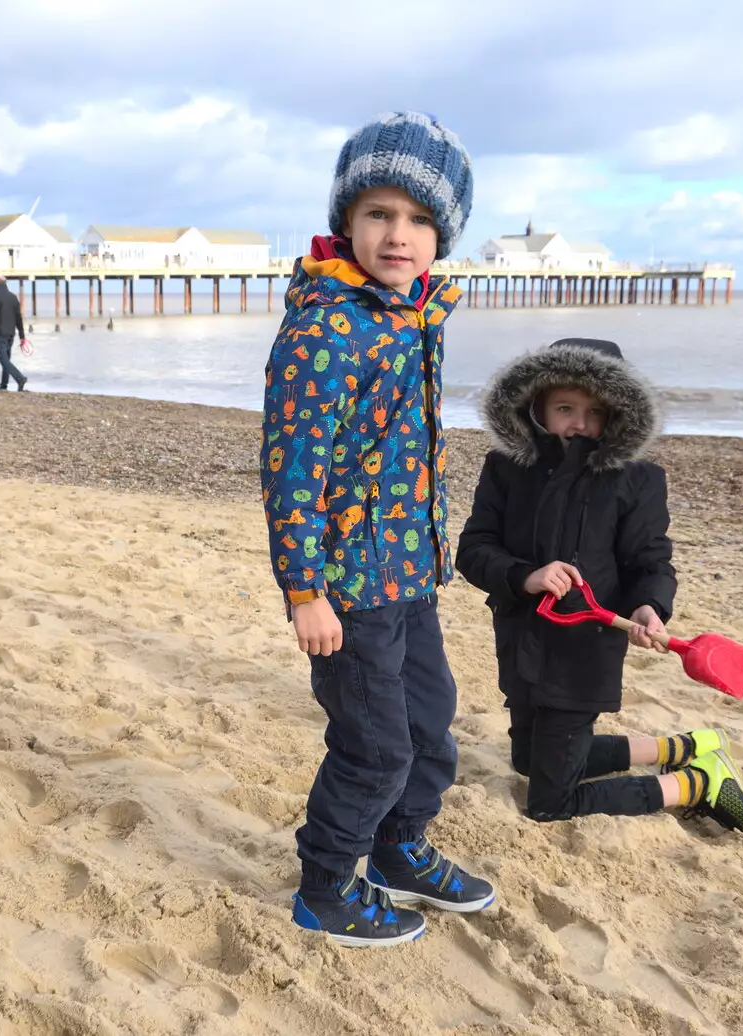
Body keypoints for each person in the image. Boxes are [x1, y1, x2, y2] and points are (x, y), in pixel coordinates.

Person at [261, 112, 494, 949]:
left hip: (408, 573)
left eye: (421, 219)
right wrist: (304, 591)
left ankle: (398, 850)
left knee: (431, 723)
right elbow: (293, 471)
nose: (400, 235)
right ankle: (325, 886)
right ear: (346, 222)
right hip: (347, 587)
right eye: (381, 214)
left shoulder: (415, 315)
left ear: (443, 236)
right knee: (374, 745)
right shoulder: (323, 326)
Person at [455, 337, 743, 838]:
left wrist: (648, 605)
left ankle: (695, 783)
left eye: (594, 411)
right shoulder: (506, 469)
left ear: (618, 415)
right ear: (536, 407)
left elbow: (651, 562)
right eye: (565, 408)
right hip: (519, 639)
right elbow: (473, 550)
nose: (579, 423)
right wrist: (526, 576)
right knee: (527, 759)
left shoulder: (636, 480)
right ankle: (680, 747)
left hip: (584, 654)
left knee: (549, 804)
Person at [0, 275, 28, 391]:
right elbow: (19, 317)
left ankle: (20, 378)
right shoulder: (13, 297)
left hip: (0, 333)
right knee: (6, 360)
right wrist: (22, 336)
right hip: (11, 333)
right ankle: (3, 385)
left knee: (3, 360)